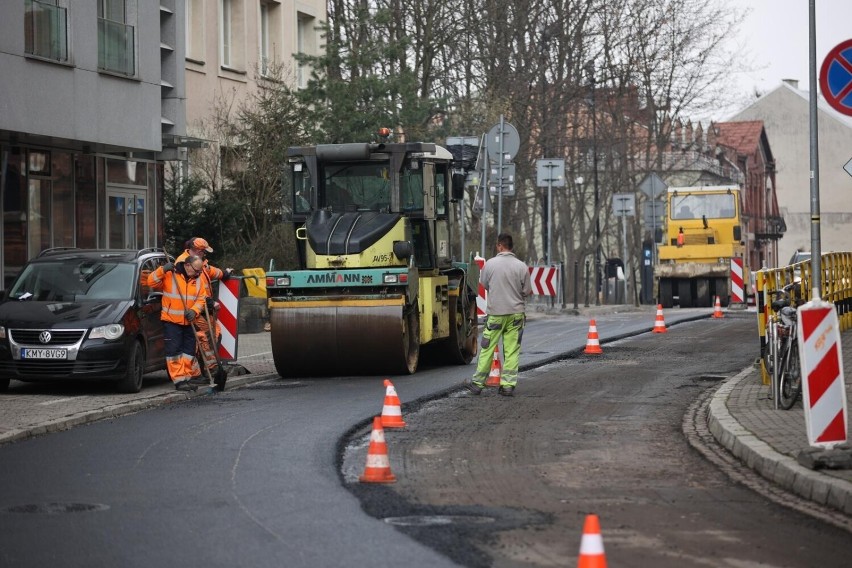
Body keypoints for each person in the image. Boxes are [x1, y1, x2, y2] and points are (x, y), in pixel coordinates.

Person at [465, 233, 532, 397]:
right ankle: (508, 386)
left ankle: (477, 384)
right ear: (512, 247)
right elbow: (527, 291)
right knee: (511, 350)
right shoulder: (521, 266)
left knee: (487, 349)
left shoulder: (490, 265)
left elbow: (484, 284)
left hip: (496, 313)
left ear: (499, 246)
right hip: (516, 314)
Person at [147, 255, 209, 391]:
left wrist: (194, 311)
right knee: (174, 352)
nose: (198, 273)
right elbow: (150, 282)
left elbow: (201, 299)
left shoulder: (198, 279)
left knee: (188, 352)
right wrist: (162, 270)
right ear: (187, 265)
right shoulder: (170, 274)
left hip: (189, 321)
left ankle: (187, 378)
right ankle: (179, 380)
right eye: (196, 270)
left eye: (200, 271)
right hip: (171, 321)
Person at [176, 237, 233, 386]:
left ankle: (210, 369)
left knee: (212, 335)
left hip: (203, 308)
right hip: (193, 310)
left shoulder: (200, 262)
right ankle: (204, 371)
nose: (205, 255)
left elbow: (211, 271)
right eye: (204, 252)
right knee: (203, 339)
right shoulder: (184, 263)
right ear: (199, 251)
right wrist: (207, 302)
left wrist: (224, 273)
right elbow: (189, 289)